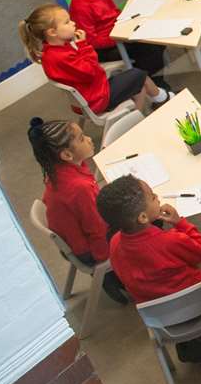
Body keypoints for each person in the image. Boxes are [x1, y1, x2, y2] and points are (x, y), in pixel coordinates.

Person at [96, 175, 201, 361]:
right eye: (153, 197)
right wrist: (180, 223)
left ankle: (192, 341)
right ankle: (199, 337)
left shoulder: (114, 244)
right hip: (199, 304)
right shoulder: (170, 241)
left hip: (160, 318)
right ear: (143, 217)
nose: (158, 197)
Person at [26, 117, 128, 303]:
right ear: (66, 155)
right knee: (144, 216)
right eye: (81, 139)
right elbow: (96, 229)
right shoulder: (78, 188)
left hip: (75, 242)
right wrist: (104, 258)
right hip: (91, 249)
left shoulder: (58, 172)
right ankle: (112, 277)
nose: (89, 139)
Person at [20, 4, 166, 115]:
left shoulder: (53, 52)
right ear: (52, 32)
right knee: (139, 74)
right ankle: (161, 98)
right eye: (67, 22)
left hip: (90, 94)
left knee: (137, 81)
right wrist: (83, 45)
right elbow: (91, 71)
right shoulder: (61, 56)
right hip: (97, 98)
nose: (73, 24)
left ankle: (138, 116)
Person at [61, 0, 168, 82]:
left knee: (157, 37)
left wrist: (129, 23)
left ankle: (146, 75)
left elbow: (114, 11)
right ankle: (155, 88)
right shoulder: (79, 7)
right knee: (151, 48)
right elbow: (91, 41)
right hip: (105, 47)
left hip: (119, 32)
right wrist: (122, 36)